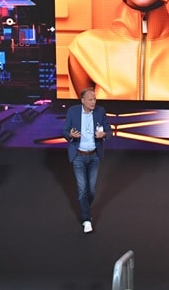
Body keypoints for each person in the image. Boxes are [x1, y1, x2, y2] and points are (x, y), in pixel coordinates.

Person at [62, 87, 112, 233]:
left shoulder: (100, 111)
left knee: (91, 190)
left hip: (94, 155)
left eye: (94, 99)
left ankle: (86, 209)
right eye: (90, 99)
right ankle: (86, 219)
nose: (93, 102)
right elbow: (65, 131)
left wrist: (103, 134)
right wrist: (71, 135)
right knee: (82, 189)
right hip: (78, 155)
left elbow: (109, 131)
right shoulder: (72, 111)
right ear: (82, 100)